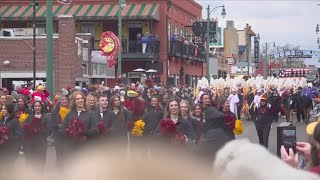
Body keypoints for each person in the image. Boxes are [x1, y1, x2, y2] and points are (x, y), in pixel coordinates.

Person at [59, 91, 98, 157]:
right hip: (71, 148)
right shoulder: (69, 114)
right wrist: (70, 132)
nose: (80, 100)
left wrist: (82, 132)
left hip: (85, 148)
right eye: (77, 99)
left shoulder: (90, 114)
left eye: (82, 98)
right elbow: (62, 129)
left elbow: (95, 130)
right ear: (74, 101)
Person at [22, 101, 50, 172]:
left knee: (40, 164)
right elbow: (24, 127)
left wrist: (40, 130)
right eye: (36, 106)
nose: (37, 108)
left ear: (41, 107)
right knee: (31, 164)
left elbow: (49, 130)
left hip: (41, 143)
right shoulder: (29, 117)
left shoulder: (45, 118)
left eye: (39, 106)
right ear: (33, 107)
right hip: (31, 144)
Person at [0, 103, 22, 176]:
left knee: (9, 168)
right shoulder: (1, 121)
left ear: (9, 110)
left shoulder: (14, 121)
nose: (2, 110)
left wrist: (9, 138)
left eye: (4, 109)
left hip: (11, 149)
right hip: (2, 149)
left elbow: (19, 135)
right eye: (2, 109)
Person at [48, 94, 69, 169]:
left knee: (66, 151)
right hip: (58, 134)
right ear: (59, 101)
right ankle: (59, 166)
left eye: (65, 99)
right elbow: (51, 123)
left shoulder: (69, 110)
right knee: (59, 151)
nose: (64, 101)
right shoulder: (55, 111)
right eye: (63, 99)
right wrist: (58, 125)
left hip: (67, 134)